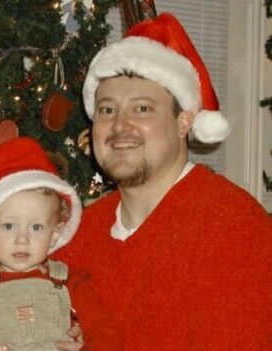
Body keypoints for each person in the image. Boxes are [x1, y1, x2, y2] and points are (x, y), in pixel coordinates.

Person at [54, 13, 271, 350]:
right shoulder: (80, 234)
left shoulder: (233, 228)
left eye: (142, 109)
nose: (119, 126)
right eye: (107, 110)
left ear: (183, 121)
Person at [0, 137, 123, 350]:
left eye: (36, 227)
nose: (22, 239)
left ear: (54, 234)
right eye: (9, 226)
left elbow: (107, 331)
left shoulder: (70, 281)